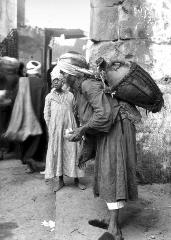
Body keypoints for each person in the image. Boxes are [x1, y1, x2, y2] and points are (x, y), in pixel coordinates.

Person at [52, 51, 141, 240]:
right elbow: (93, 116)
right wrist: (85, 144)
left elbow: (104, 115)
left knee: (112, 172)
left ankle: (115, 231)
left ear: (71, 73)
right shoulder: (78, 89)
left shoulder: (87, 85)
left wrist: (82, 130)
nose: (60, 77)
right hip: (110, 128)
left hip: (117, 128)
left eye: (62, 73)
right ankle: (112, 221)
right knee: (108, 172)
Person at [44, 71, 86, 192]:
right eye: (54, 80)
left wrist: (78, 128)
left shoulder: (70, 95)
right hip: (56, 130)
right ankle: (60, 180)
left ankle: (77, 180)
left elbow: (75, 111)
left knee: (73, 150)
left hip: (69, 127)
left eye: (58, 79)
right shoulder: (49, 97)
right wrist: (51, 128)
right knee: (58, 152)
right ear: (51, 82)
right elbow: (47, 114)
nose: (56, 82)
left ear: (63, 81)